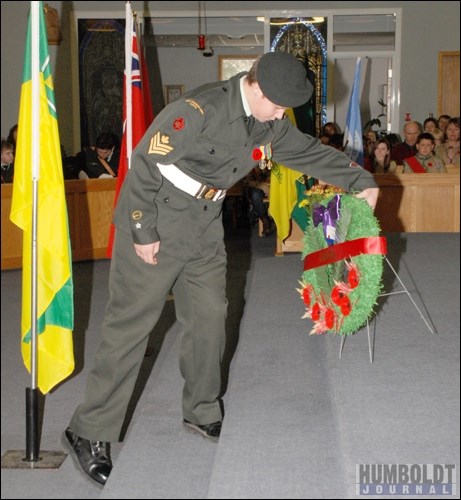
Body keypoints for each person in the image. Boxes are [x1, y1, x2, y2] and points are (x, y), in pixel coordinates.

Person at [63, 51, 379, 486]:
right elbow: (144, 164)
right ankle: (88, 430)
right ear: (257, 88)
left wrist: (362, 181)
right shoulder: (199, 111)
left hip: (204, 224)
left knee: (211, 315)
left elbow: (307, 152)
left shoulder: (268, 122)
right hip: (157, 215)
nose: (282, 113)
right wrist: (142, 230)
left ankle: (202, 410)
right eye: (279, 104)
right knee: (130, 325)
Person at [244, 166, 274, 236]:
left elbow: (271, 176)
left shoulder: (266, 164)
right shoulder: (247, 166)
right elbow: (246, 182)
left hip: (267, 188)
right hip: (252, 189)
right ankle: (265, 220)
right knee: (255, 194)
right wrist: (259, 184)